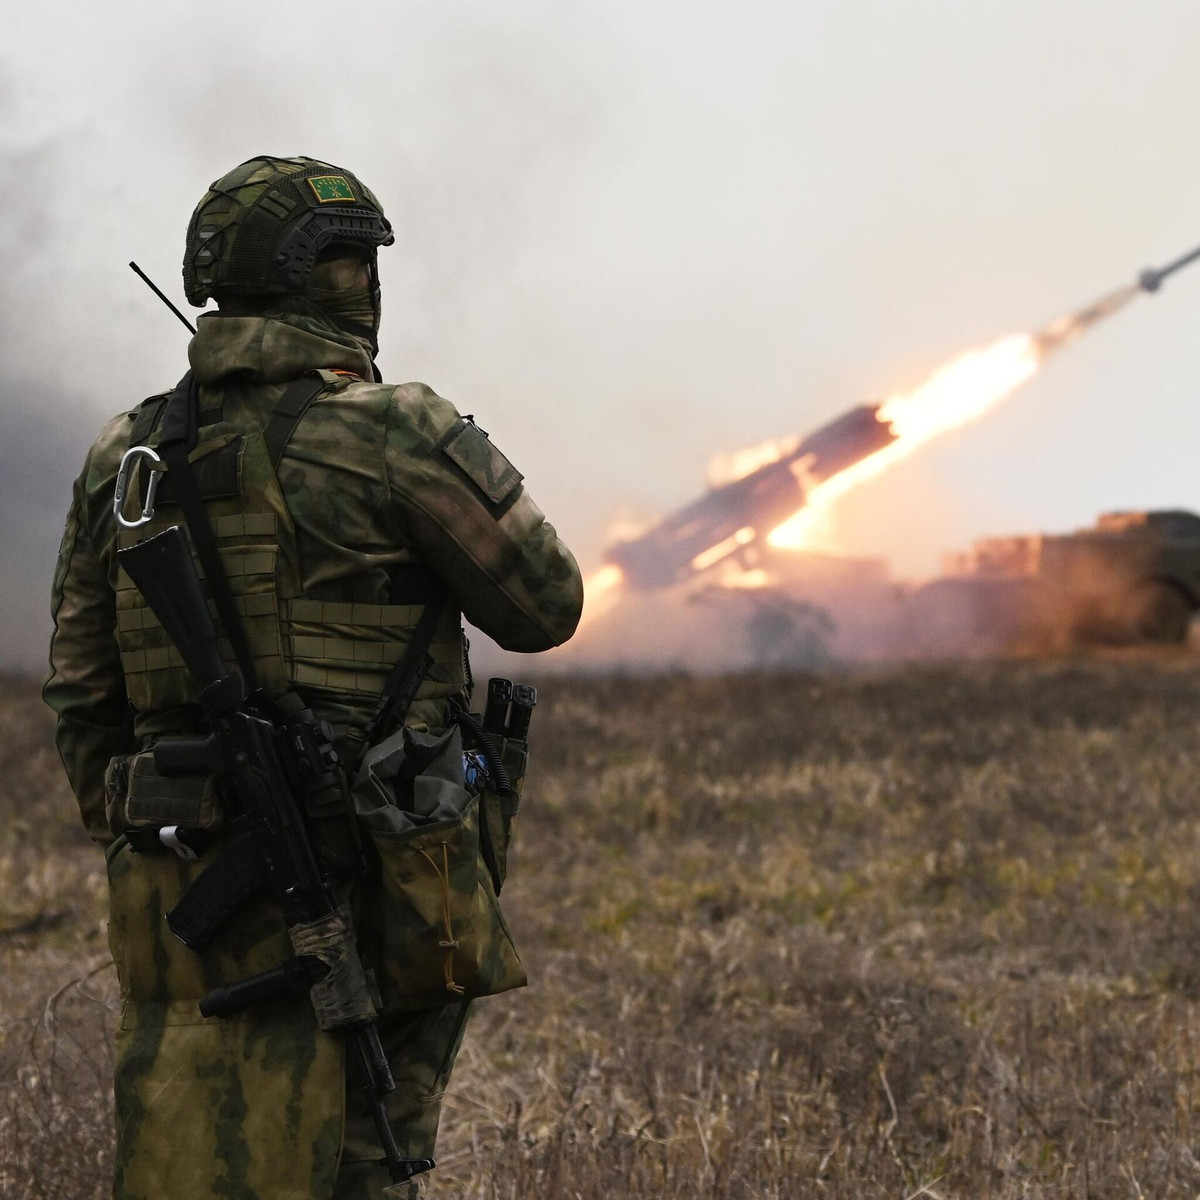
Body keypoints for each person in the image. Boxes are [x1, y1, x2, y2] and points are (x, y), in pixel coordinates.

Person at [43, 155, 584, 1199]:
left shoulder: (128, 455)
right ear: (341, 278)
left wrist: (152, 814)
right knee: (361, 1145)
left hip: (176, 870)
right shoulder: (396, 432)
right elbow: (545, 605)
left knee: (188, 1139)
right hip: (386, 867)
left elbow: (82, 690)